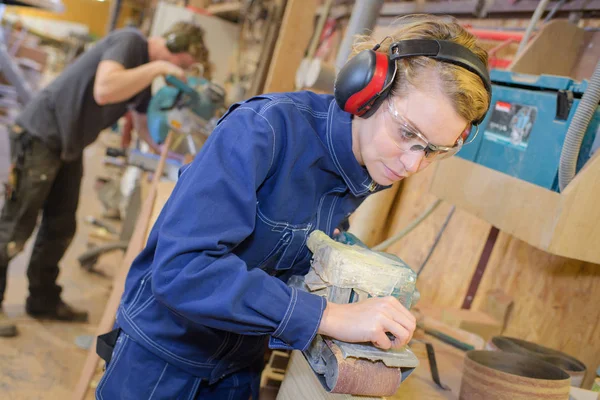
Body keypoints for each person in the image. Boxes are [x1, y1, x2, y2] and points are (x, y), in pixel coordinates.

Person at [95, 14, 491, 399]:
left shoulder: (365, 163)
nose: (412, 164)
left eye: (433, 150)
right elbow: (183, 270)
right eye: (407, 133)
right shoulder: (263, 130)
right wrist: (327, 316)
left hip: (240, 367)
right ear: (368, 91)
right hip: (162, 363)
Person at [0, 22, 211, 337]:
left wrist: (174, 158)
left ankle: (42, 300)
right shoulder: (130, 43)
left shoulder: (141, 73)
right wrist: (157, 67)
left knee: (60, 226)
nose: (175, 73)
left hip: (68, 146)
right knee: (17, 225)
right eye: (179, 65)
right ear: (172, 45)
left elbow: (141, 124)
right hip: (42, 135)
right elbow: (105, 88)